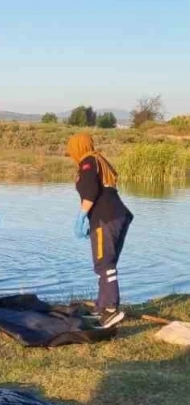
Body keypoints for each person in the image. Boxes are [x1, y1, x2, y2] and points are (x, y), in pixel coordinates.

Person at [66, 133, 133, 329]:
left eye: (71, 148)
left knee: (104, 263)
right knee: (104, 263)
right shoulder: (97, 160)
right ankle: (102, 306)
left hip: (106, 218)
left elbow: (91, 191)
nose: (70, 152)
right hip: (115, 216)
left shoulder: (88, 161)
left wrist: (81, 216)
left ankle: (111, 310)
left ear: (78, 147)